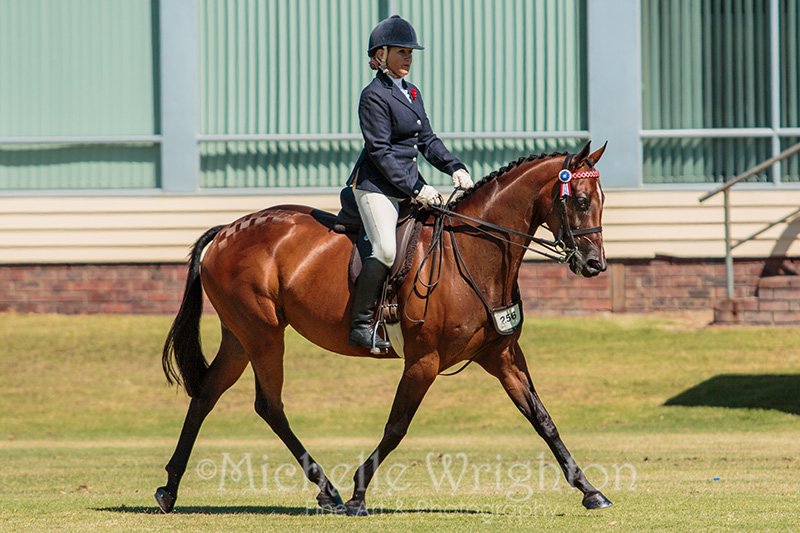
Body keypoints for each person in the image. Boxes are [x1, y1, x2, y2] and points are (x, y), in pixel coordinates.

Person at [346, 15, 474, 350]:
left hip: (407, 183)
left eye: (410, 53)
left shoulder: (412, 92)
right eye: (402, 52)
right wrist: (418, 188)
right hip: (376, 187)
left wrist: (455, 167)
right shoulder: (372, 95)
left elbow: (427, 140)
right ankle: (361, 326)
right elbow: (381, 152)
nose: (408, 58)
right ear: (382, 54)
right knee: (386, 248)